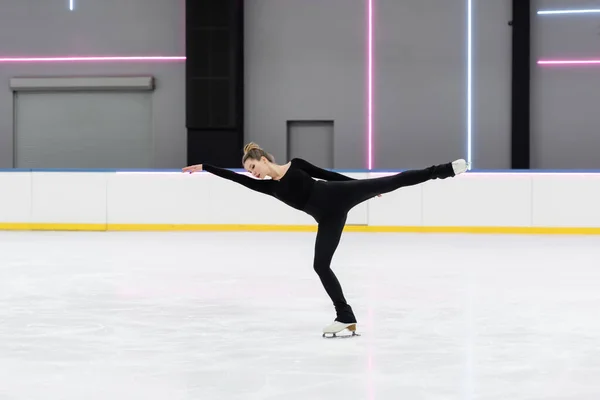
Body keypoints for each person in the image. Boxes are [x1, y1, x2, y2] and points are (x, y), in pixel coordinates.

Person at [183, 142, 468, 337]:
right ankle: (345, 316)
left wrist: (360, 187)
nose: (252, 173)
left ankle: (443, 171)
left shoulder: (297, 165)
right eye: (249, 171)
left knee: (391, 181)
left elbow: (328, 175)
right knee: (320, 266)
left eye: (253, 167)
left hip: (337, 194)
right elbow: (234, 179)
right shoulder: (267, 189)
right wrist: (206, 167)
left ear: (264, 159)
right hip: (329, 218)